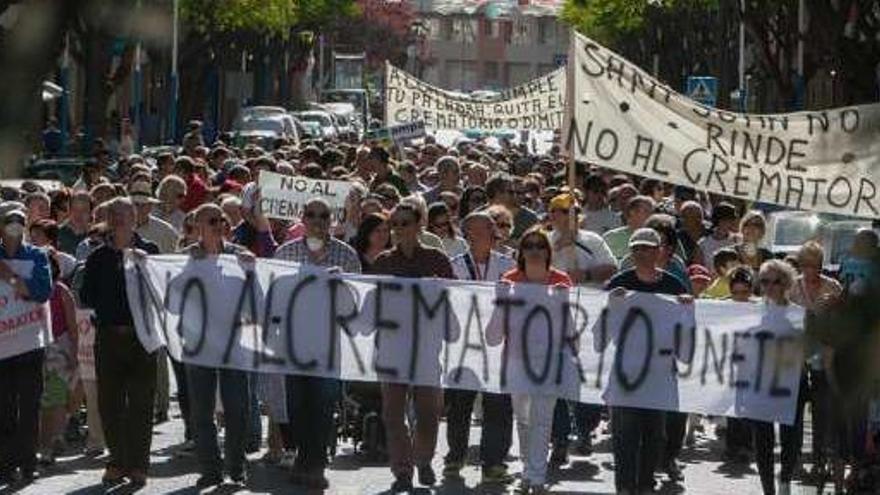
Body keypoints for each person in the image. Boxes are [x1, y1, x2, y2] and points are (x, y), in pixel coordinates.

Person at [274, 198, 362, 490]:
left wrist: (342, 287)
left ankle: (315, 462)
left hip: (329, 344)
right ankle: (303, 455)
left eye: (323, 215)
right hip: (293, 343)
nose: (317, 220)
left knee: (323, 405)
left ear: (332, 220)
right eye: (310, 214)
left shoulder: (346, 255)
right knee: (297, 405)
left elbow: (356, 306)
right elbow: (272, 295)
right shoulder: (285, 253)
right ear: (302, 218)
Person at [370, 203, 455, 493]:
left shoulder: (437, 260)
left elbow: (455, 298)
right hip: (392, 348)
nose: (398, 229)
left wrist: (440, 289)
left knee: (429, 412)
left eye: (405, 223)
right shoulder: (383, 262)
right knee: (392, 413)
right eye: (394, 224)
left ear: (420, 225)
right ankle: (402, 470)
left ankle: (424, 459)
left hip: (427, 347)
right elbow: (371, 302)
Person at [79, 197, 159, 488]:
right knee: (109, 402)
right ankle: (117, 460)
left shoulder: (149, 251)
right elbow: (86, 295)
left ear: (135, 217)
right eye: (113, 214)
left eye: (125, 213)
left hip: (143, 338)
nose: (119, 219)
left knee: (140, 402)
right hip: (109, 337)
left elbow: (161, 292)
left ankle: (139, 464)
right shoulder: (98, 256)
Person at [605, 228, 691, 495]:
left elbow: (684, 331)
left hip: (659, 372)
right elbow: (604, 330)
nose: (641, 253)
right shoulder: (619, 283)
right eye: (636, 248)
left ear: (659, 252)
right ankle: (624, 486)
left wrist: (688, 308)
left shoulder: (674, 286)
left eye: (647, 248)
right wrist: (611, 304)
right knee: (624, 435)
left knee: (654, 434)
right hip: (625, 372)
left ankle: (645, 484)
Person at [181, 203, 254, 488]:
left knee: (237, 407)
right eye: (210, 220)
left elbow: (255, 294)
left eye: (220, 220)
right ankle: (210, 468)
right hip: (199, 344)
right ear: (197, 226)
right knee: (202, 410)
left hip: (234, 343)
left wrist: (250, 268)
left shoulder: (239, 256)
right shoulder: (186, 258)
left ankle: (235, 466)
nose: (217, 224)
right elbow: (171, 293)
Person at [443, 212, 515, 484]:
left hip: (499, 345)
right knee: (460, 403)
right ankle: (455, 457)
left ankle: (494, 462)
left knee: (498, 404)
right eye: (483, 228)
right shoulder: (455, 266)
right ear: (468, 234)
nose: (489, 231)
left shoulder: (508, 265)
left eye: (491, 227)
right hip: (465, 345)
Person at [500, 226, 572, 494]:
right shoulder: (510, 278)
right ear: (520, 251)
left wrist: (564, 301)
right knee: (523, 418)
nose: (534, 250)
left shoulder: (560, 280)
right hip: (517, 359)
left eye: (539, 245)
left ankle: (537, 475)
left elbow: (569, 326)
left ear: (548, 251)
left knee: (542, 418)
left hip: (550, 360)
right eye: (528, 245)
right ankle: (527, 468)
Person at [0, 208, 53, 485]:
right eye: (9, 221)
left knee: (30, 406)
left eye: (20, 221)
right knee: (4, 409)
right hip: (1, 350)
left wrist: (11, 278)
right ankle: (6, 464)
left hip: (30, 344)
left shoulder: (36, 255)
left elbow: (44, 290)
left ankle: (28, 462)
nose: (14, 226)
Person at [749, 259, 806, 495]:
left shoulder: (800, 315)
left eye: (776, 281)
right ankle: (768, 490)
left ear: (787, 283)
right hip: (759, 384)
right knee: (762, 440)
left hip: (791, 384)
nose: (770, 286)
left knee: (791, 438)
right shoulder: (748, 312)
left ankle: (785, 480)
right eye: (765, 281)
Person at [789, 241, 842, 484]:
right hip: (797, 357)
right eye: (807, 264)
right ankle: (795, 458)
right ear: (801, 265)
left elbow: (845, 320)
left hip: (825, 358)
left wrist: (836, 305)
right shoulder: (791, 286)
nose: (812, 269)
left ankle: (820, 460)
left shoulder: (833, 286)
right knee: (795, 411)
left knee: (822, 412)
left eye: (816, 264)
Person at [38, 257, 78, 465]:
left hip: (59, 349)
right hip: (35, 348)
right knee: (41, 400)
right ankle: (44, 443)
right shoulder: (31, 290)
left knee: (56, 396)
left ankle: (55, 439)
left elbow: (72, 325)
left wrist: (74, 353)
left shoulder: (61, 291)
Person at [547, 193, 617, 285]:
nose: (572, 216)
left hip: (589, 294)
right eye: (565, 211)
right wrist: (557, 247)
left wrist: (587, 275)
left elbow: (611, 268)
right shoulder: (543, 241)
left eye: (575, 212)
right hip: (556, 295)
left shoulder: (593, 239)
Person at [485, 173, 538, 240]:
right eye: (510, 192)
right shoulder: (479, 216)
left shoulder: (530, 218)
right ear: (496, 193)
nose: (514, 196)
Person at [603, 195, 655, 260]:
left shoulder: (655, 238)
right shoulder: (611, 237)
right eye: (646, 211)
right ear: (632, 212)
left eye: (652, 212)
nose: (651, 216)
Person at [698, 202, 740, 273]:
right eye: (725, 220)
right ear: (718, 220)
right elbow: (699, 268)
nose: (730, 223)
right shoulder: (703, 244)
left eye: (731, 220)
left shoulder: (738, 240)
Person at [58, 191, 92, 256]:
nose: (79, 214)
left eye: (84, 210)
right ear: (69, 211)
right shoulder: (56, 233)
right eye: (75, 209)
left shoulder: (95, 237)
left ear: (91, 213)